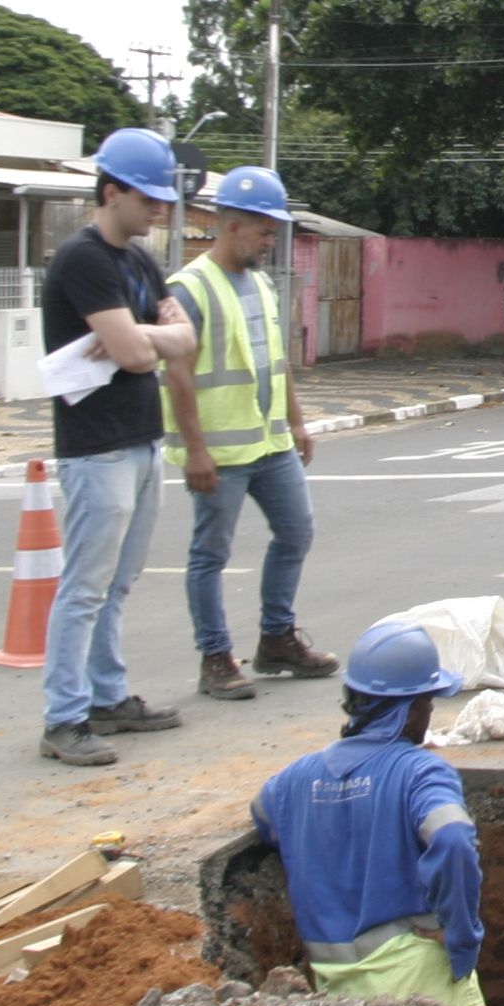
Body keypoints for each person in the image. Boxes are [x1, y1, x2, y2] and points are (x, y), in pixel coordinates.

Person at [37, 128, 199, 766]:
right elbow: (141, 350)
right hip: (95, 446)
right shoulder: (84, 261)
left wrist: (146, 338)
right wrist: (149, 338)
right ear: (111, 192)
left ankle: (107, 696)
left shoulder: (140, 261)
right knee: (85, 586)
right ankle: (63, 716)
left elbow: (184, 338)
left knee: (120, 582)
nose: (160, 208)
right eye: (148, 196)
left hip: (140, 439)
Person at [160, 165, 334, 703]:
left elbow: (274, 359)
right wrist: (195, 450)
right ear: (231, 224)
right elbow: (178, 375)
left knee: (296, 532)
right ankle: (215, 658)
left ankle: (276, 639)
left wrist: (297, 419)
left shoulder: (259, 283)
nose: (269, 240)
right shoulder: (188, 289)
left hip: (269, 441)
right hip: (219, 450)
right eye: (263, 230)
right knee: (210, 554)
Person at [251, 620, 484, 1006]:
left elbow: (263, 815)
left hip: (333, 991)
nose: (429, 712)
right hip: (418, 985)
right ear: (409, 710)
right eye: (428, 701)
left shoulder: (294, 779)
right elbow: (452, 838)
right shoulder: (420, 771)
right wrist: (462, 936)